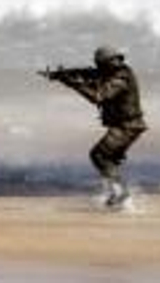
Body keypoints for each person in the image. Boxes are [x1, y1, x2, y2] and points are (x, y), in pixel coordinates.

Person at [42, 45, 147, 207]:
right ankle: (118, 194)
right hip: (126, 125)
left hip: (128, 126)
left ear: (107, 63)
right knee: (108, 158)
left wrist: (74, 84)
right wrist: (60, 75)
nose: (99, 68)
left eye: (101, 64)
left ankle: (120, 193)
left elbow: (98, 97)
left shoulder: (121, 79)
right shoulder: (111, 72)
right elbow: (87, 73)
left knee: (99, 155)